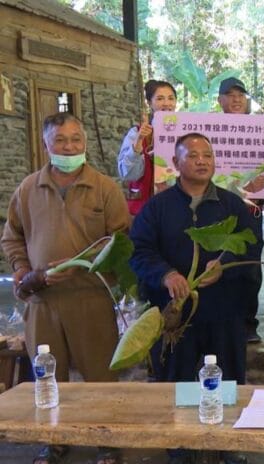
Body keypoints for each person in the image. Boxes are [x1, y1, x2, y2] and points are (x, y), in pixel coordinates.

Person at [1, 112, 130, 464]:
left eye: (75, 139)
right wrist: (26, 271)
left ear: (84, 142)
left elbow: (122, 240)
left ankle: (107, 441)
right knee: (48, 377)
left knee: (100, 374)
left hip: (91, 298)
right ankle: (54, 441)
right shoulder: (28, 189)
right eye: (60, 140)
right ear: (46, 145)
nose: (69, 147)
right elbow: (12, 237)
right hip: (42, 301)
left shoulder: (104, 188)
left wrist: (91, 265)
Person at [129, 132, 262, 464]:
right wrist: (165, 274)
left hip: (224, 311)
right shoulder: (157, 207)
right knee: (178, 380)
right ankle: (181, 445)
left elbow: (251, 247)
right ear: (176, 163)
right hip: (175, 315)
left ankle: (227, 445)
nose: (202, 161)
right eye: (192, 155)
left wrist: (225, 265)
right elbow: (140, 251)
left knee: (228, 379)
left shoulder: (232, 205)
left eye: (207, 155)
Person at [217, 76, 264, 344]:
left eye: (240, 95)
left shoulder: (263, 130)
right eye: (230, 95)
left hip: (250, 212)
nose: (236, 100)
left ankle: (248, 323)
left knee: (250, 267)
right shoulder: (208, 130)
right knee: (217, 264)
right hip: (216, 210)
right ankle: (223, 322)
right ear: (220, 100)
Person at [117, 79, 177, 216]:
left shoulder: (186, 133)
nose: (166, 103)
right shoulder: (137, 133)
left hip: (177, 208)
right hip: (146, 210)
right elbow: (127, 174)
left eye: (171, 98)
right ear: (150, 103)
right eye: (160, 99)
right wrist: (139, 141)